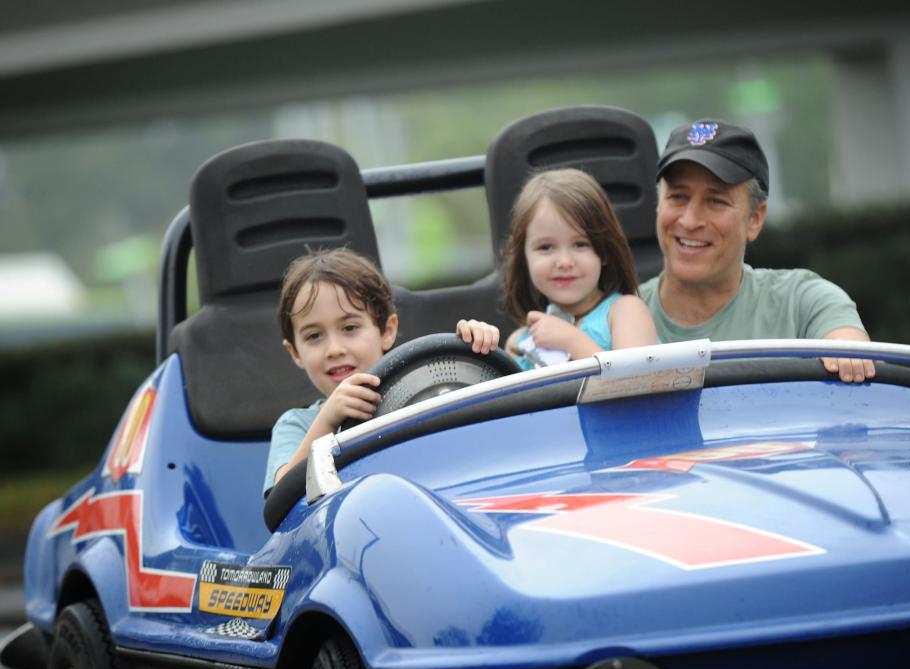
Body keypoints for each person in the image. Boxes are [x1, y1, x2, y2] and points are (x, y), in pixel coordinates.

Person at [639, 119, 875, 383]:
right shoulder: (614, 315)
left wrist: (847, 354)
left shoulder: (802, 303)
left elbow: (855, 366)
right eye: (678, 197)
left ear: (755, 219)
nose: (690, 220)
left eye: (715, 201)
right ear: (659, 204)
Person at [263, 248, 498, 496]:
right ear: (295, 353)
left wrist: (477, 347)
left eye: (350, 327)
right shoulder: (296, 425)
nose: (334, 349)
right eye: (314, 336)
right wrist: (328, 421)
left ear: (386, 331)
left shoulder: (425, 396)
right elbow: (281, 504)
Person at [501, 168, 658, 370]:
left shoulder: (625, 312)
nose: (565, 262)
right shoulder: (519, 342)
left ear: (605, 251)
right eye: (545, 247)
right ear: (524, 258)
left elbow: (639, 384)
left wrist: (571, 341)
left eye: (580, 244)